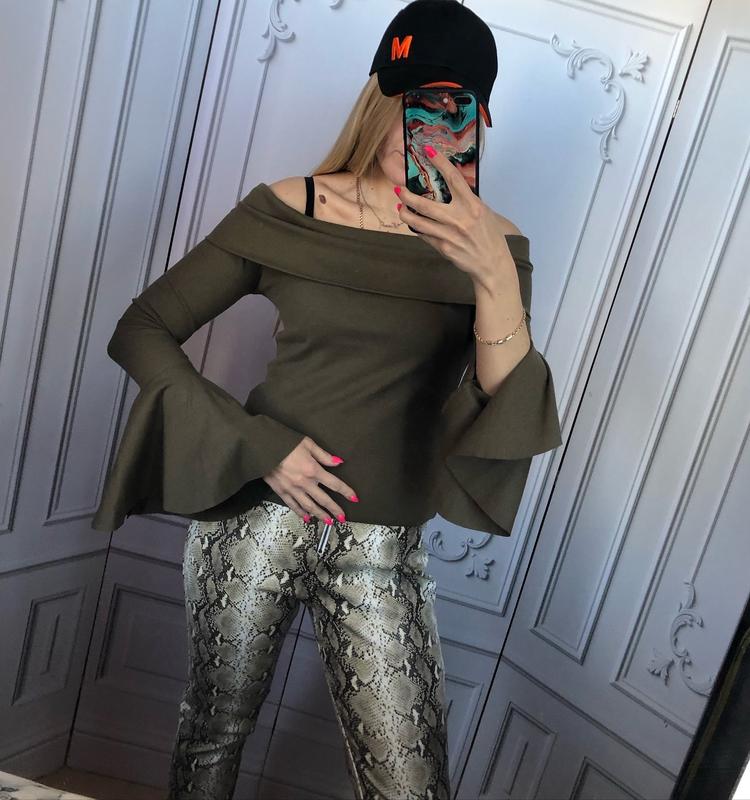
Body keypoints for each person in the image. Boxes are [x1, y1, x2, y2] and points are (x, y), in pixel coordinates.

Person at [91, 2, 563, 798]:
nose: (425, 127)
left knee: (412, 782)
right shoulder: (291, 209)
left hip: (383, 548)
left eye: (452, 108)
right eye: (413, 101)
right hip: (256, 518)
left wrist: (489, 271)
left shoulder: (496, 244)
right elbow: (142, 329)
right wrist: (258, 444)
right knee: (212, 736)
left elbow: (500, 398)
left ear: (479, 121)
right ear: (380, 97)